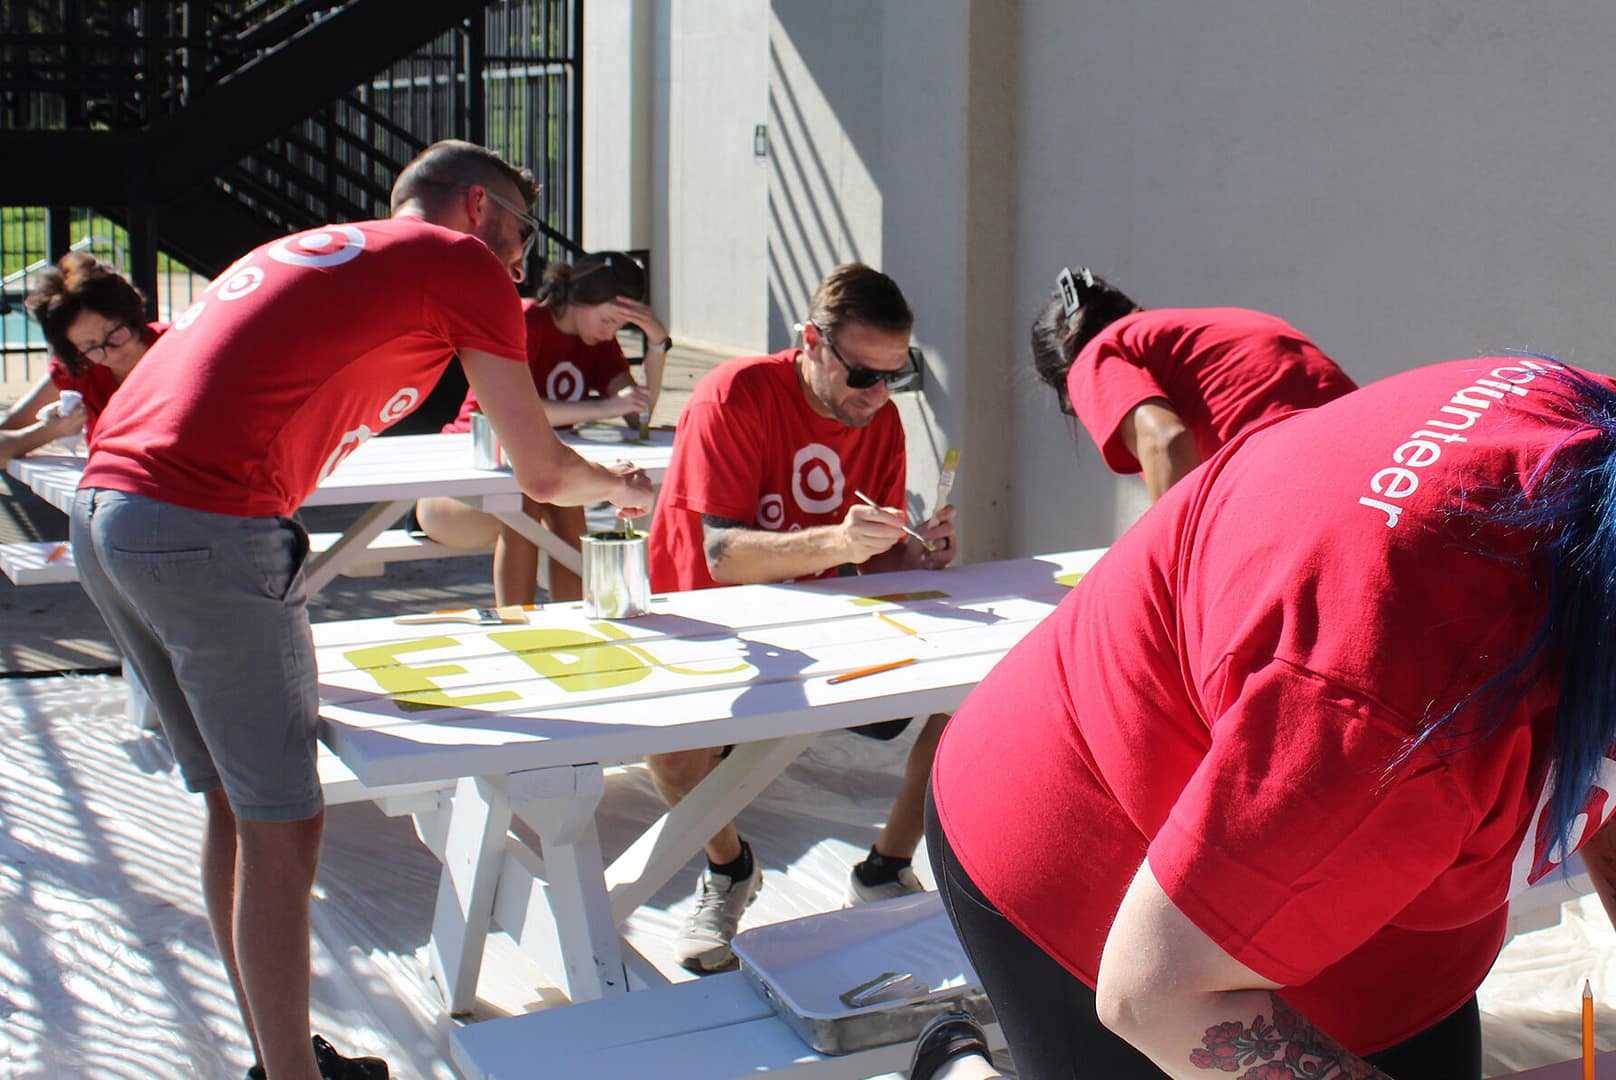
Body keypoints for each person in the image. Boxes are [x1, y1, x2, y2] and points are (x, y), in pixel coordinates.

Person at [69, 139, 653, 1080]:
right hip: (204, 518)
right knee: (282, 820)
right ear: (475, 208)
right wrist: (623, 486)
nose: (522, 257)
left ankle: (280, 1055)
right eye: (521, 229)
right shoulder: (461, 262)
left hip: (110, 510)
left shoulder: (334, 246)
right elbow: (540, 468)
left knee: (237, 802)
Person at [921, 355, 1616, 1079]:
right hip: (1092, 859)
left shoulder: (1598, 434)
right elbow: (1156, 995)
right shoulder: (1393, 707)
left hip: (1373, 906)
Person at [646, 262, 957, 974]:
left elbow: (869, 567)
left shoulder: (877, 420)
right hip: (713, 625)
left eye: (895, 376)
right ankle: (728, 868)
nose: (878, 396)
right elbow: (720, 555)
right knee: (671, 754)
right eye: (861, 376)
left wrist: (916, 555)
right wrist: (840, 543)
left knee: (975, 691)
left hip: (819, 626)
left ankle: (886, 866)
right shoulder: (734, 395)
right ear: (811, 342)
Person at [416, 250, 670, 603]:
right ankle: (520, 625)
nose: (611, 331)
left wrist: (658, 344)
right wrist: (603, 407)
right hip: (457, 487)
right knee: (534, 491)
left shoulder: (597, 343)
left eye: (619, 326)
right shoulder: (523, 321)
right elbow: (505, 413)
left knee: (564, 487)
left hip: (531, 476)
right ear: (581, 299)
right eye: (608, 319)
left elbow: (638, 418)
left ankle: (573, 621)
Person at [1029, 266, 1357, 501]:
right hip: (1378, 474)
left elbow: (1165, 439)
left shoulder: (1094, 357)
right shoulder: (1220, 324)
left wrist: (1174, 569)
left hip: (1295, 492)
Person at [0, 253, 163, 465]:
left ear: (130, 314)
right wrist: (49, 431)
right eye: (91, 345)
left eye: (114, 332)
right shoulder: (80, 367)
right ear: (75, 350)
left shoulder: (177, 344)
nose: (110, 351)